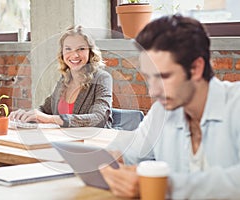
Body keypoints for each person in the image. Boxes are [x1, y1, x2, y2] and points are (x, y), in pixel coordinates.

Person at [100, 15, 240, 199]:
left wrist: (165, 186)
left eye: (163, 77)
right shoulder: (162, 111)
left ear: (196, 68)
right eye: (149, 77)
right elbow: (127, 151)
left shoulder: (235, 105)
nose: (153, 91)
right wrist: (108, 165)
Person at [9, 25, 112, 128]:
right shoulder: (65, 78)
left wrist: (51, 119)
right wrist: (27, 115)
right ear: (62, 52)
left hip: (93, 141)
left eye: (81, 49)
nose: (74, 55)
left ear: (90, 52)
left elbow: (99, 118)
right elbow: (46, 110)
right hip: (64, 139)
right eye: (68, 49)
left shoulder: (102, 78)